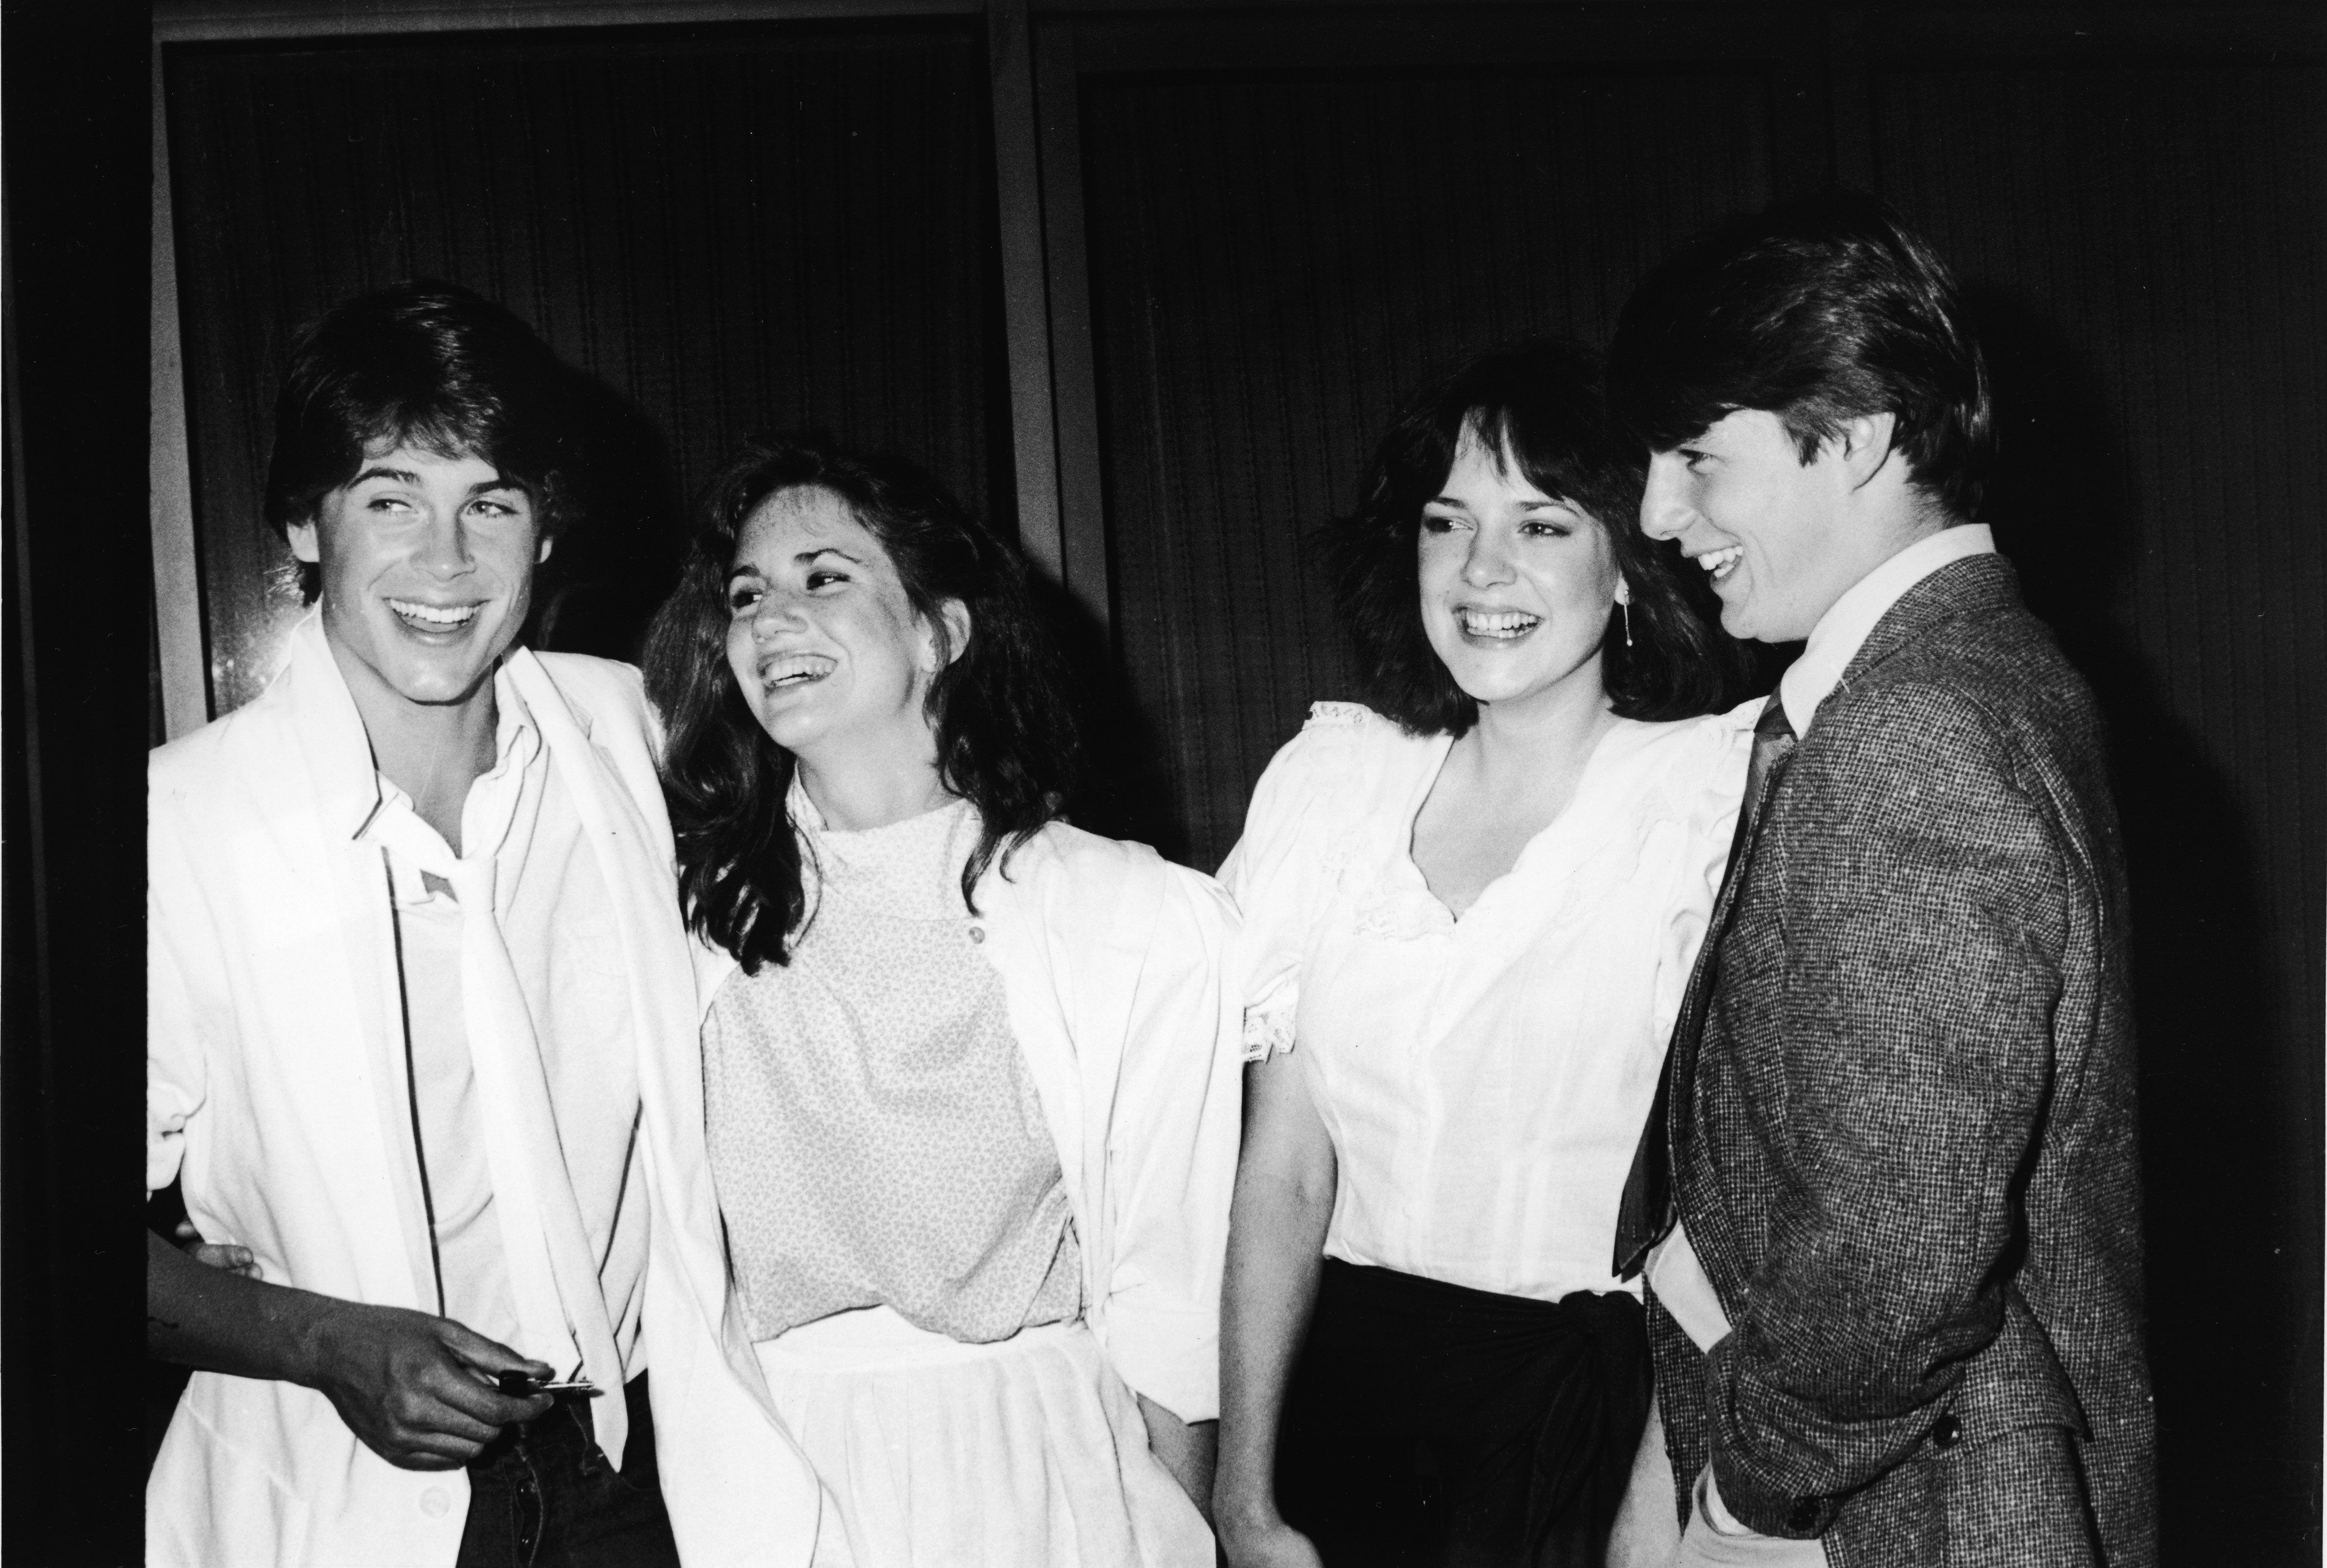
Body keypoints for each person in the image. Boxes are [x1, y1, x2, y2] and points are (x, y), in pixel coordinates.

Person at [145, 281, 830, 1568]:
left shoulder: (629, 731)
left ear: (546, 533)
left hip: (626, 1481)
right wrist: (323, 1339)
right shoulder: (176, 828)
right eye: (392, 499)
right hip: (330, 1491)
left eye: (492, 505)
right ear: (305, 524)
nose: (447, 565)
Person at [1604, 191, 2156, 1566]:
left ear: (1849, 442)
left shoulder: (1914, 731)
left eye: (1697, 460)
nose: (1660, 514)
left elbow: (1896, 1256)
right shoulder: (1971, 670)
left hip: (1902, 1506)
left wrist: (1750, 1499)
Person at [640, 433, 1243, 1568]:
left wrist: (1181, 1532)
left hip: (1035, 1462)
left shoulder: (1127, 918)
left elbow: (1170, 1294)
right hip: (768, 1463)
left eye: (826, 577)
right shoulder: (680, 923)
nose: (772, 621)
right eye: (746, 595)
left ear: (940, 629)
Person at [1213, 338, 1755, 1568]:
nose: (1481, 569)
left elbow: (1730, 1220)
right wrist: (1245, 1500)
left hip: (1585, 1429)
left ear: (1628, 564)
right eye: (1446, 521)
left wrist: (1655, 1514)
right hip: (1340, 1408)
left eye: (1544, 526)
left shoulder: (1709, 801)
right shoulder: (1334, 786)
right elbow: (1283, 1176)